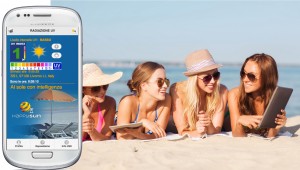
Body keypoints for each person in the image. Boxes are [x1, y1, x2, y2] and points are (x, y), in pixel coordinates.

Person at [170, 49, 228, 137]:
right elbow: (182, 131)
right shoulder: (178, 91)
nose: (213, 81)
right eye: (207, 78)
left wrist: (209, 124)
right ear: (194, 79)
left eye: (216, 75)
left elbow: (216, 131)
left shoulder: (222, 91)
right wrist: (198, 132)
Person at [228, 53, 287, 138]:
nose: (245, 79)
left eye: (251, 76)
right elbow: (237, 135)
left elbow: (270, 137)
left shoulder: (276, 96)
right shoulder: (234, 94)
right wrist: (239, 121)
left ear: (266, 77)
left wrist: (276, 128)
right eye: (243, 73)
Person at [116, 61, 171, 140]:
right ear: (144, 85)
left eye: (166, 81)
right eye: (159, 82)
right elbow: (122, 138)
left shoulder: (166, 100)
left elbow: (159, 135)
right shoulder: (128, 102)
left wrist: (139, 134)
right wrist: (141, 123)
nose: (165, 86)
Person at [82, 63, 123, 141]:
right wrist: (86, 114)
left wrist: (92, 131)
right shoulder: (74, 106)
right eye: (96, 88)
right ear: (83, 89)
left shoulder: (109, 103)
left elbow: (106, 138)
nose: (102, 91)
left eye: (105, 86)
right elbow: (77, 140)